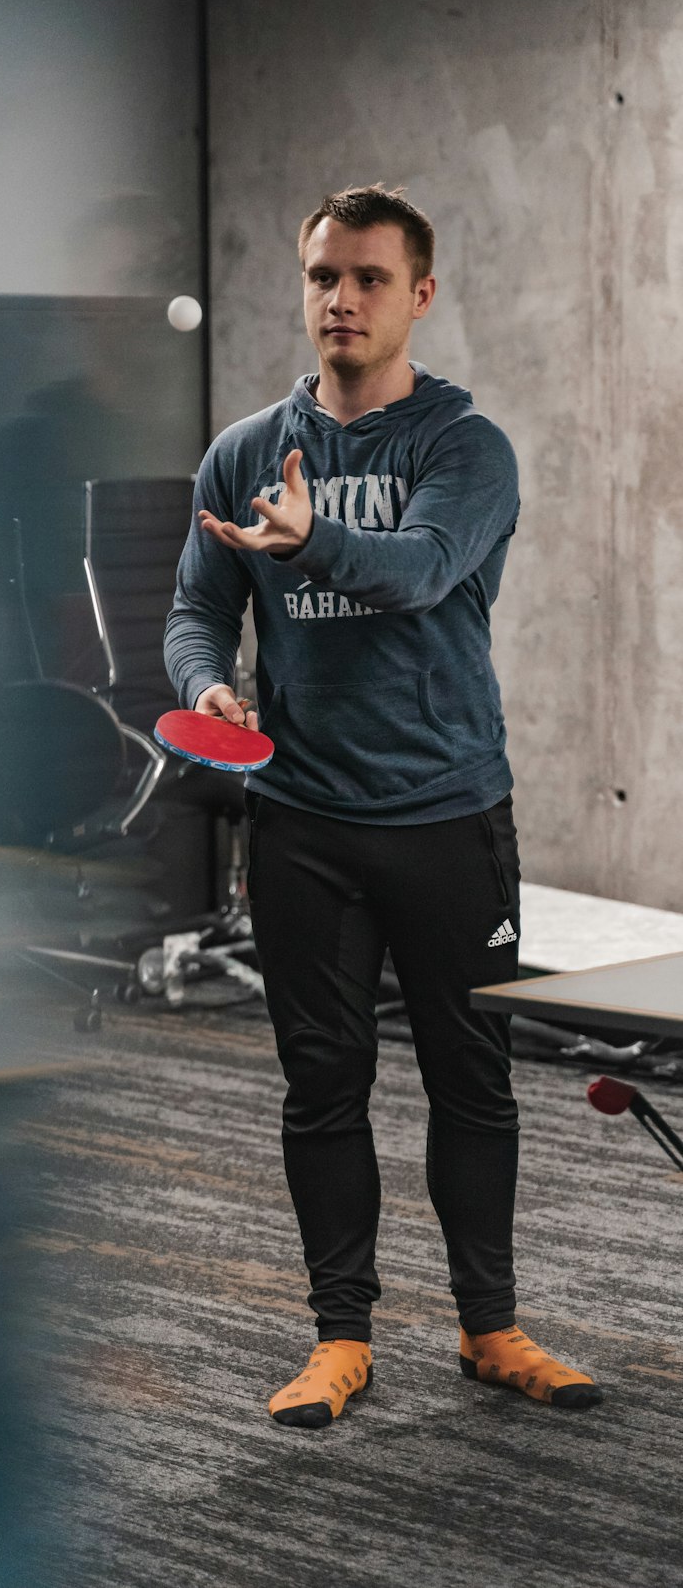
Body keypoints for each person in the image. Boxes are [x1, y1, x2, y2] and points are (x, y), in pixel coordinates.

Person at [164, 185, 602, 1426]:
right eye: (320, 277)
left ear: (418, 294)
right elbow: (200, 606)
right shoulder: (246, 449)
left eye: (365, 277)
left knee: (473, 1079)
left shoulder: (466, 450)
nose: (339, 299)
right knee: (322, 1082)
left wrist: (307, 544)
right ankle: (339, 1337)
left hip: (449, 814)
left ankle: (490, 1327)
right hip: (302, 821)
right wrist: (208, 680)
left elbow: (416, 571)